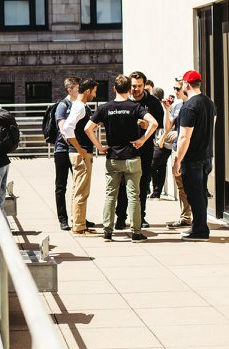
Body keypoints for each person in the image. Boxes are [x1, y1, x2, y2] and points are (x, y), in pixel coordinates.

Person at [85, 75, 157, 241]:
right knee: (134, 196)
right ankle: (136, 232)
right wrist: (142, 140)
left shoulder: (105, 108)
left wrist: (99, 146)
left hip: (113, 158)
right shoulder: (135, 107)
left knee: (111, 195)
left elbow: (88, 128)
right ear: (129, 89)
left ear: (114, 89)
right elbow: (153, 123)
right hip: (132, 157)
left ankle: (107, 231)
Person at [114, 71, 163, 229]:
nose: (135, 89)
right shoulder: (124, 99)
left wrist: (146, 126)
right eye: (133, 86)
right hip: (126, 148)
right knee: (123, 184)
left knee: (143, 183)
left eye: (139, 86)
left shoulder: (153, 102)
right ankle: (121, 217)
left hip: (145, 148)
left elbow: (160, 124)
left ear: (144, 85)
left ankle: (140, 217)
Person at [172, 70, 217, 241]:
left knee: (194, 194)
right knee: (201, 193)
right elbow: (212, 124)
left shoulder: (189, 106)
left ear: (187, 84)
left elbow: (184, 137)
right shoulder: (209, 103)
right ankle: (200, 226)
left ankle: (200, 230)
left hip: (193, 158)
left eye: (182, 83)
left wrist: (178, 161)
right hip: (206, 156)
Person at [61, 79, 98, 234]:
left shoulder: (79, 106)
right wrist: (80, 149)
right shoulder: (79, 107)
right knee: (82, 192)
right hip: (80, 154)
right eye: (94, 91)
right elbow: (67, 129)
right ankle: (79, 227)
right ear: (88, 91)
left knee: (78, 190)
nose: (95, 95)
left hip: (78, 153)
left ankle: (78, 223)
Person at [163, 78, 193, 229]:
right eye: (174, 88)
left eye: (177, 88)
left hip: (189, 150)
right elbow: (168, 127)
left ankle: (196, 216)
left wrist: (179, 133)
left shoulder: (193, 105)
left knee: (192, 185)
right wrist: (166, 109)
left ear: (185, 88)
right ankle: (186, 217)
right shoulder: (177, 106)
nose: (175, 91)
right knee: (181, 186)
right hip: (176, 149)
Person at [53, 77, 80, 230]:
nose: (80, 92)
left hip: (76, 150)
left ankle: (79, 216)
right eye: (78, 89)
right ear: (70, 90)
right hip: (63, 150)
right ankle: (63, 219)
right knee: (61, 185)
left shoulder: (80, 105)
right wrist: (75, 144)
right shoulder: (63, 106)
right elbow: (64, 130)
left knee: (79, 185)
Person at [149, 86, 172, 198]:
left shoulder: (162, 107)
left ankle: (154, 190)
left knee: (152, 164)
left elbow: (166, 126)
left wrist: (161, 140)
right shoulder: (161, 107)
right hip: (161, 140)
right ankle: (156, 191)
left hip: (163, 141)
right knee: (162, 166)